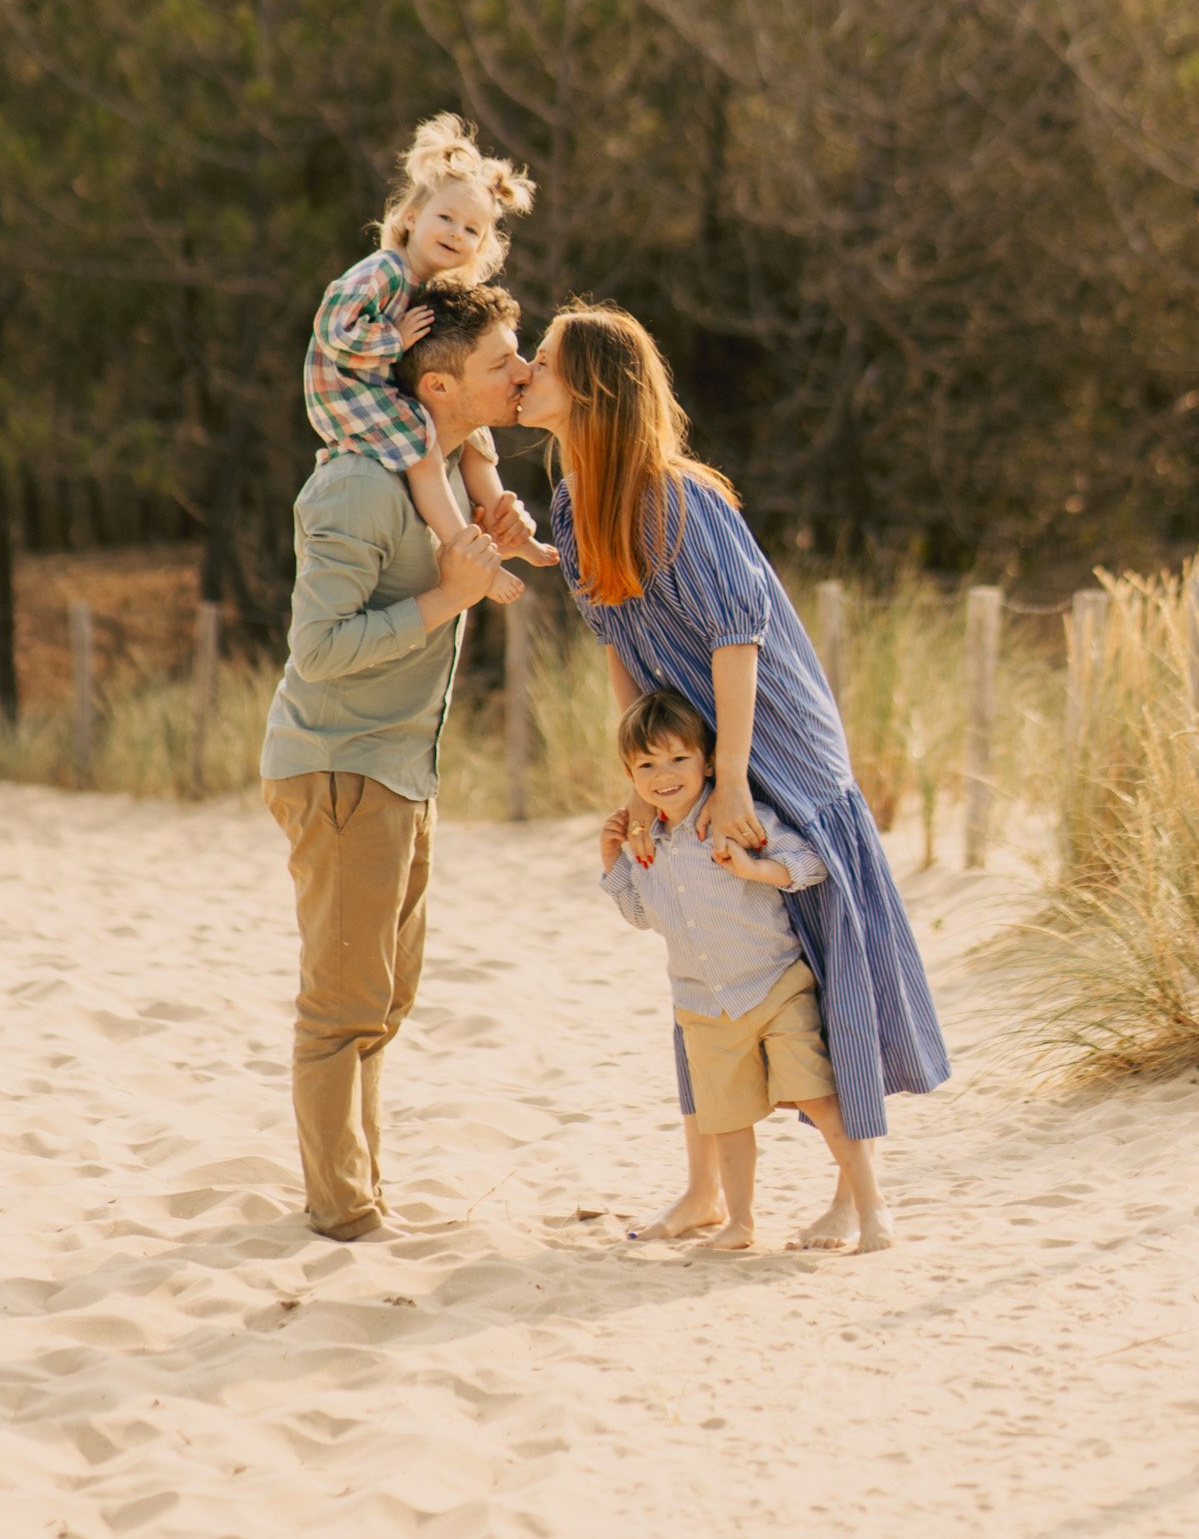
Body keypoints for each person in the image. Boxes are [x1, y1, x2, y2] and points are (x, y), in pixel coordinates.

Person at [520, 301, 949, 1246]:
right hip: (681, 748)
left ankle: (854, 1194)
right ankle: (703, 1190)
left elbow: (736, 638)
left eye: (542, 360)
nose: (523, 370)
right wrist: (640, 771)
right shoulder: (569, 503)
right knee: (703, 950)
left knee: (817, 959)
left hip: (774, 746)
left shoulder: (675, 498)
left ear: (590, 387)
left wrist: (740, 779)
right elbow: (616, 645)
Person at [261, 280, 541, 1241]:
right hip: (338, 767)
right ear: (435, 386)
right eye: (504, 363)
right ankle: (343, 1213)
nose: (524, 373)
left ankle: (358, 1188)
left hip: (399, 765)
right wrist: (446, 599)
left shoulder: (453, 471)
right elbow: (318, 647)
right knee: (342, 1006)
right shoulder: (353, 486)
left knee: (385, 999)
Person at [600, 686, 894, 1253]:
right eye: (647, 764)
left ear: (708, 760)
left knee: (820, 1099)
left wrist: (756, 869)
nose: (665, 775)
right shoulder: (647, 843)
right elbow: (640, 916)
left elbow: (810, 864)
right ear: (630, 775)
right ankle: (740, 1222)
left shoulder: (741, 817)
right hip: (704, 1006)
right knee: (727, 1122)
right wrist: (610, 861)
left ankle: (871, 1207)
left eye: (679, 758)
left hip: (775, 986)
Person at [303, 115, 555, 600]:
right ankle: (472, 559)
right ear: (412, 216)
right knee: (422, 447)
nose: (456, 233)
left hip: (380, 384)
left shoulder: (432, 286)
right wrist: (392, 340)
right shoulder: (386, 270)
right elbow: (332, 326)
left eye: (471, 230)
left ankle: (509, 533)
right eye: (445, 218)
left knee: (475, 437)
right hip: (346, 391)